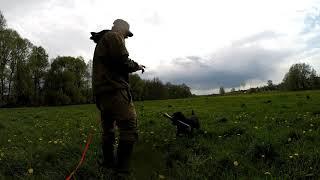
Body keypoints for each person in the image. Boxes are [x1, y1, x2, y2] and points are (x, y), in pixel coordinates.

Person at [90, 19, 145, 175]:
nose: (126, 38)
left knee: (108, 130)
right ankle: (122, 169)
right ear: (121, 28)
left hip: (102, 94)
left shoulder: (102, 41)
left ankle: (108, 163)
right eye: (126, 35)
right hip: (115, 91)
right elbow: (122, 62)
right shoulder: (114, 36)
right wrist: (137, 66)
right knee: (129, 127)